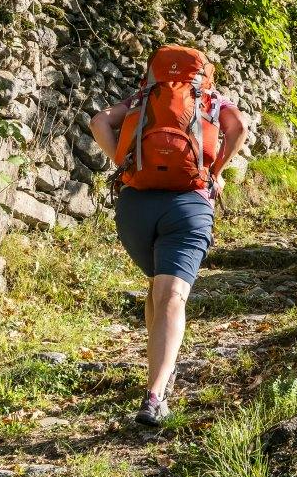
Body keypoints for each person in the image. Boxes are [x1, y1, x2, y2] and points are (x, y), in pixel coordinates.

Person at [88, 45, 247, 427]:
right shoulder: (211, 99)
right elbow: (238, 129)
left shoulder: (142, 99)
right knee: (171, 293)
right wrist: (216, 172)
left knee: (157, 288)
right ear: (204, 73)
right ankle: (156, 394)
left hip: (135, 207)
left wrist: (124, 164)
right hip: (187, 207)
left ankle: (158, 371)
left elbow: (98, 122)